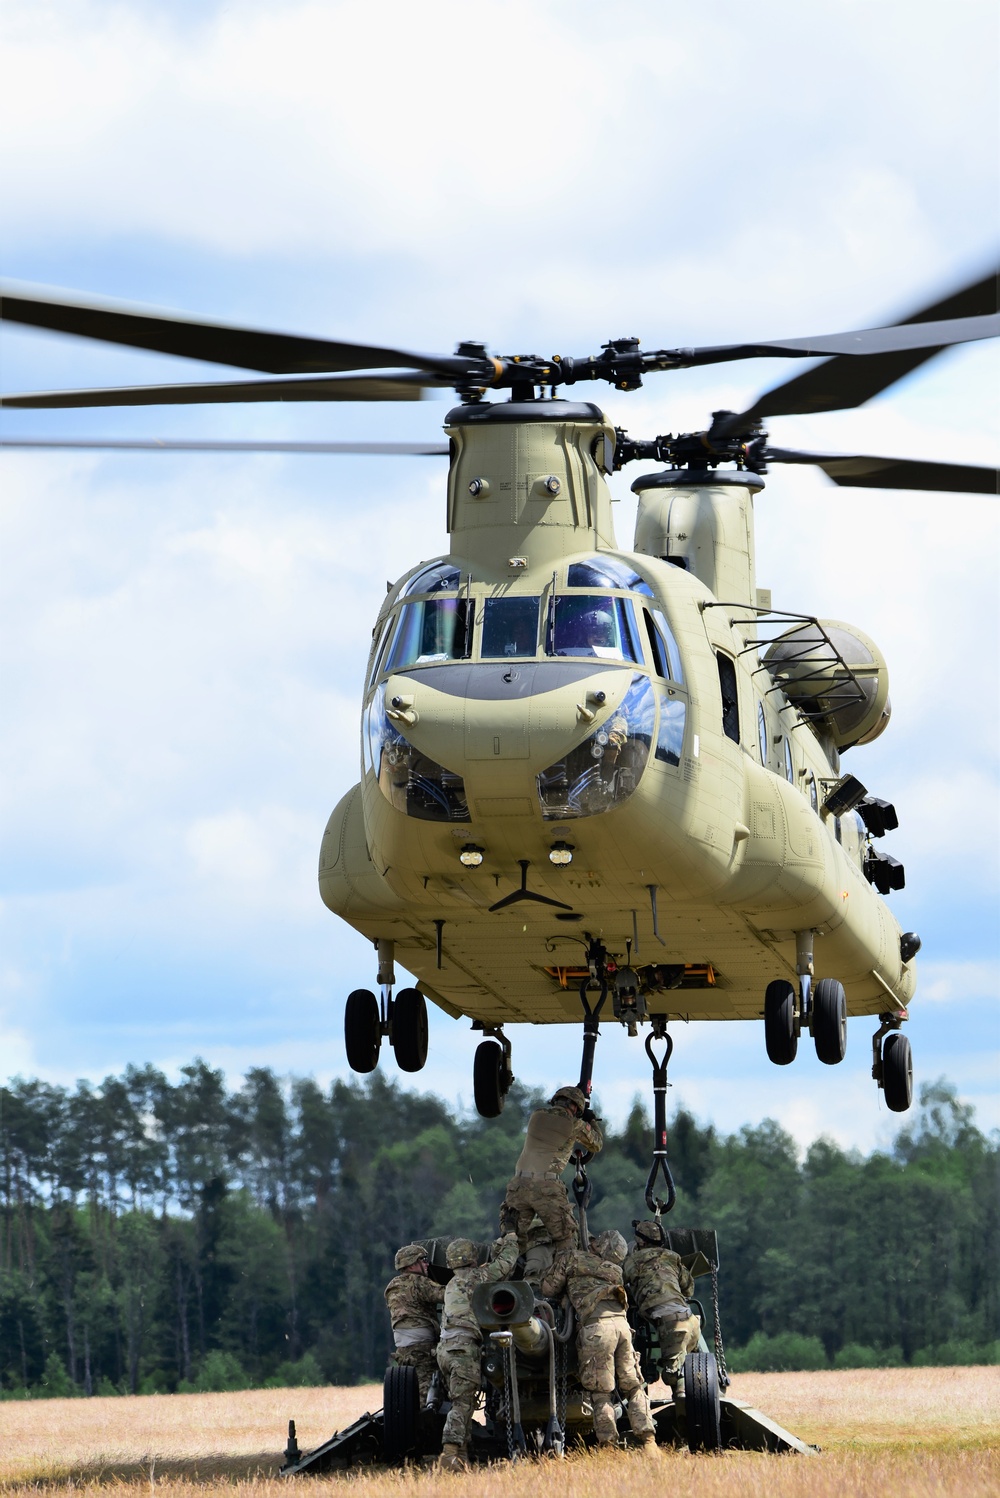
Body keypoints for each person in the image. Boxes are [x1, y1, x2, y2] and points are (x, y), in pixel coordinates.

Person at [541, 1228, 658, 1455]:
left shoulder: (573, 1258)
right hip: (623, 1328)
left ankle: (608, 1447)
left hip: (597, 1329)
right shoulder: (615, 1271)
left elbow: (547, 1288)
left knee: (601, 1391)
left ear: (599, 1246)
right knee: (633, 1385)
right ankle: (649, 1441)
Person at [436, 1232, 520, 1472]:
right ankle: (449, 1453)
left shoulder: (452, 1283)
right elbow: (505, 1265)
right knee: (462, 1405)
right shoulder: (476, 1277)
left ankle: (460, 1459)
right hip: (462, 1349)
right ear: (471, 1259)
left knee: (463, 1401)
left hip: (446, 1349)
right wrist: (512, 1240)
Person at [501, 1085, 604, 1254]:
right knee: (566, 1239)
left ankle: (506, 1274)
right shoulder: (575, 1123)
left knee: (511, 1239)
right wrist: (590, 1120)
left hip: (518, 1184)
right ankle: (562, 1277)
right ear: (575, 1107)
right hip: (546, 1186)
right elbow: (597, 1144)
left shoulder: (537, 1115)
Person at [623, 1220, 701, 1392]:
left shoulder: (634, 1260)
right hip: (690, 1320)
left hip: (670, 1324)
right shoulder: (673, 1257)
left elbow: (618, 1284)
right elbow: (688, 1289)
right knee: (690, 1367)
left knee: (672, 1376)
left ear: (640, 1241)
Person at [383, 1243, 444, 1404]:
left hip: (404, 1350)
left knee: (411, 1395)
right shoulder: (419, 1282)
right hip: (423, 1350)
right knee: (427, 1396)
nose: (426, 1264)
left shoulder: (392, 1286)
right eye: (423, 1260)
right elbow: (448, 1295)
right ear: (411, 1264)